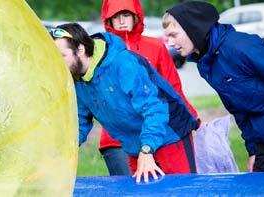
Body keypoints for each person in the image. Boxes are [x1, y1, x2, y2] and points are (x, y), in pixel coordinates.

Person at [49, 23, 199, 182]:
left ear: (80, 49)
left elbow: (155, 108)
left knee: (181, 190)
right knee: (144, 193)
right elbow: (79, 122)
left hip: (170, 135)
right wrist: (59, 157)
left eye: (62, 56)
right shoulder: (76, 79)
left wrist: (147, 150)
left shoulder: (123, 63)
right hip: (135, 146)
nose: (57, 64)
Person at [162, 1, 264, 172]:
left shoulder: (241, 47)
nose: (170, 43)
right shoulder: (205, 64)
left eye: (174, 35)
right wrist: (253, 151)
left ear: (193, 28)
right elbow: (238, 109)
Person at [97, 0, 198, 176]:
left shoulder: (155, 46)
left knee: (173, 188)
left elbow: (171, 86)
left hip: (160, 132)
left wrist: (191, 116)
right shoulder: (101, 51)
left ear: (136, 16)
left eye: (126, 14)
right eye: (116, 16)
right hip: (117, 140)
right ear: (108, 20)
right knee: (129, 192)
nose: (121, 21)